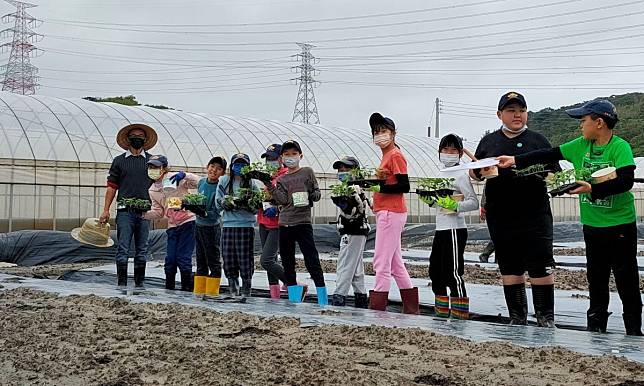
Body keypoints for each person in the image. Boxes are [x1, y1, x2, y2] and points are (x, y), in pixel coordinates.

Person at [496, 99, 642, 336]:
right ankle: (596, 329)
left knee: (626, 280)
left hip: (620, 226)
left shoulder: (620, 147)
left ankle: (634, 331)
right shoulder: (581, 145)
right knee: (596, 279)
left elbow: (625, 181)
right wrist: (515, 160)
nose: (580, 126)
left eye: (583, 121)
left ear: (599, 123)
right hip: (592, 226)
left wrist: (592, 189)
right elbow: (548, 153)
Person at [470, 92, 560, 327]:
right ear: (500, 115)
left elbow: (554, 172)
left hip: (536, 213)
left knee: (540, 263)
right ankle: (517, 316)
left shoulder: (538, 140)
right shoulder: (489, 142)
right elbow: (476, 172)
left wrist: (544, 175)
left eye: (521, 110)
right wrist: (478, 171)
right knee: (509, 264)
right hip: (501, 213)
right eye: (511, 110)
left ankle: (545, 317)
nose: (517, 115)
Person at [265, 140, 328, 305]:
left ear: (300, 155)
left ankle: (323, 298)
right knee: (288, 262)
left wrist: (310, 195)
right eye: (287, 154)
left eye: (294, 154)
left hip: (303, 223)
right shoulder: (282, 179)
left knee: (311, 259)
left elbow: (316, 193)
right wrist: (269, 185)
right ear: (282, 157)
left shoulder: (307, 172)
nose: (290, 157)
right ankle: (293, 299)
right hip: (285, 223)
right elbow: (283, 200)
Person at [368, 112, 419, 314]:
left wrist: (378, 188)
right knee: (396, 263)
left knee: (381, 262)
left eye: (384, 131)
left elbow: (404, 185)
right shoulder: (387, 156)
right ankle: (411, 308)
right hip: (387, 212)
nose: (380, 135)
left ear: (393, 133)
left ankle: (378, 310)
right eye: (376, 132)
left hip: (391, 212)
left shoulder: (395, 155)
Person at [427, 134, 479, 319]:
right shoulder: (439, 174)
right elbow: (440, 204)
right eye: (445, 150)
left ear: (459, 153)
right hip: (440, 228)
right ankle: (441, 313)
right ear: (439, 152)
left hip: (455, 229)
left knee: (453, 273)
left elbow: (474, 203)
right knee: (435, 272)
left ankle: (459, 314)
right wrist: (431, 202)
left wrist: (456, 206)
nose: (448, 153)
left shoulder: (461, 174)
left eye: (453, 150)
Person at [100, 123, 157, 287]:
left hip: (145, 211)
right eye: (134, 136)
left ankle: (140, 283)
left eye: (140, 136)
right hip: (125, 211)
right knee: (123, 248)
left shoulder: (152, 161)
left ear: (145, 140)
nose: (137, 138)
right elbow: (111, 187)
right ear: (128, 139)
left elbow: (159, 184)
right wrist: (105, 210)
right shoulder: (119, 161)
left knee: (142, 249)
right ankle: (122, 283)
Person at [143, 155, 200, 291]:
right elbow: (158, 212)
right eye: (151, 167)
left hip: (188, 221)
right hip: (173, 225)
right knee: (170, 260)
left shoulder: (175, 178)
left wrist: (185, 175)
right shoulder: (152, 190)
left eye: (156, 167)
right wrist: (142, 214)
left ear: (164, 168)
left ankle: (187, 289)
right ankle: (170, 289)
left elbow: (200, 182)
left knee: (183, 258)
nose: (153, 170)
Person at [215, 153, 260, 298]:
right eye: (237, 164)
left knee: (245, 259)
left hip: (246, 226)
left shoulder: (252, 184)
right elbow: (217, 203)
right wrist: (225, 203)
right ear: (231, 166)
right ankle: (233, 289)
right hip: (228, 226)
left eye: (243, 165)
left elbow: (257, 205)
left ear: (248, 167)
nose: (239, 168)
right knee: (228, 258)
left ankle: (246, 289)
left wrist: (248, 205)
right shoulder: (224, 181)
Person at [330, 156, 370, 308]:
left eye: (347, 169)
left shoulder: (354, 188)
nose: (343, 172)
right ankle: (361, 298)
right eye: (341, 169)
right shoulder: (352, 187)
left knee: (345, 264)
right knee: (356, 267)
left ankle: (339, 297)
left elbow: (356, 211)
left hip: (353, 231)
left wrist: (347, 207)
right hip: (357, 231)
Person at [257, 144, 289, 299]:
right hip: (264, 222)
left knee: (266, 260)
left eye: (273, 158)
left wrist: (276, 209)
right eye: (268, 159)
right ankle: (274, 295)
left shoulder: (286, 176)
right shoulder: (266, 177)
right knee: (272, 260)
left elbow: (289, 201)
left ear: (281, 158)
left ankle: (291, 282)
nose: (270, 161)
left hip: (278, 224)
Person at [195, 156, 227, 279]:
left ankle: (212, 294)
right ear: (207, 167)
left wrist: (205, 213)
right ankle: (199, 292)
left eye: (218, 169)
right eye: (212, 166)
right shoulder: (201, 182)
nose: (214, 170)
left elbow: (218, 209)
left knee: (212, 258)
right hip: (198, 225)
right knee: (200, 258)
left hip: (212, 227)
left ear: (223, 173)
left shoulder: (220, 186)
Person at [478, 190, 496, 263]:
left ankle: (486, 255)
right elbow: (486, 192)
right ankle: (485, 254)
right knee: (498, 235)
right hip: (493, 210)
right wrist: (483, 207)